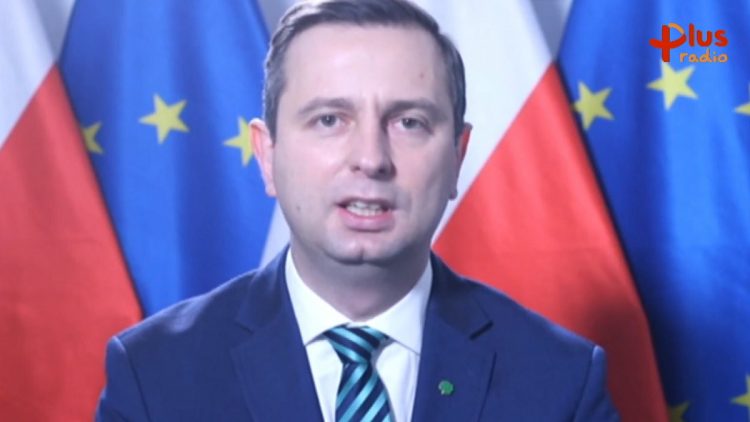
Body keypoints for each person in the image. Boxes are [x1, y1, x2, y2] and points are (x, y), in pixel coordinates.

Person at [96, 0, 620, 420]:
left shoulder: (560, 381)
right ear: (268, 156)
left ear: (457, 158)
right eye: (329, 120)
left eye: (409, 122)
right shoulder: (154, 376)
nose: (371, 159)